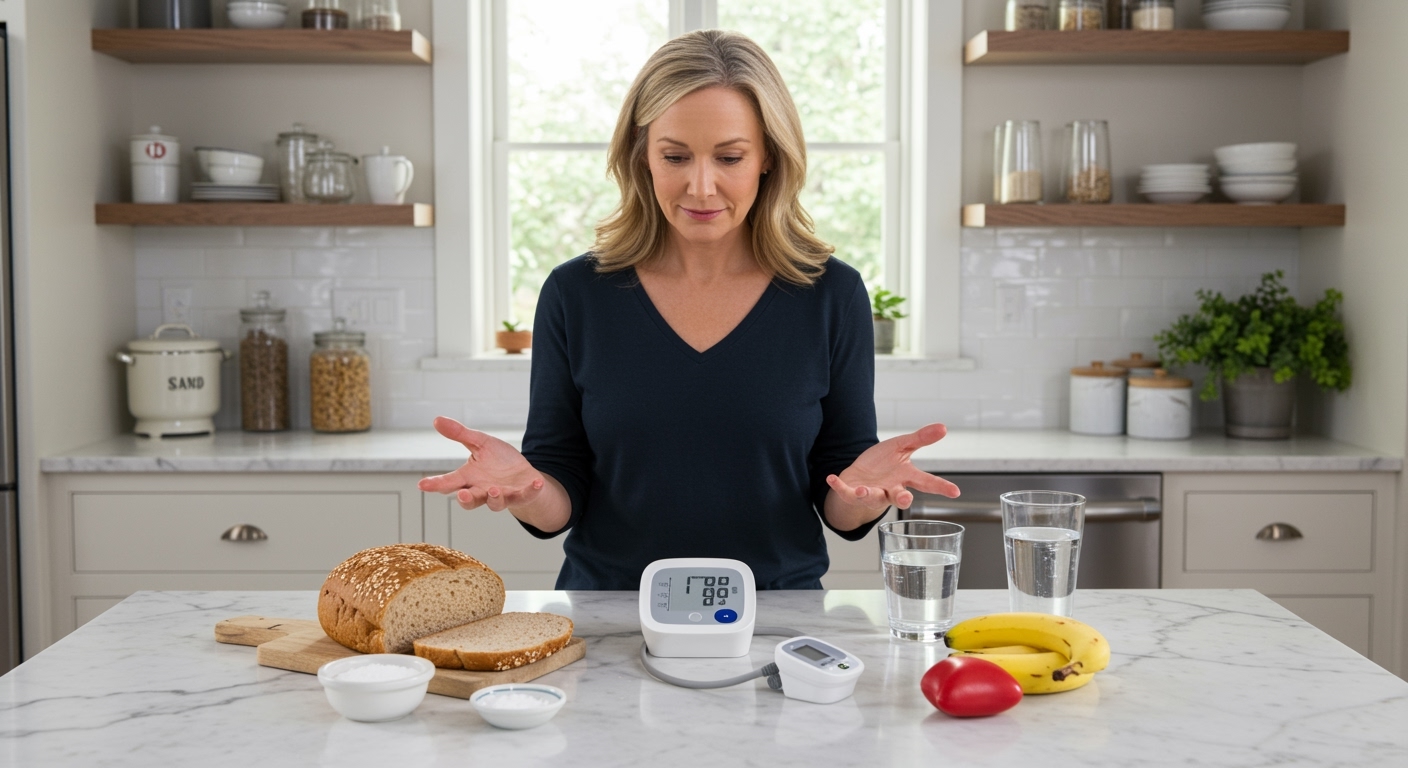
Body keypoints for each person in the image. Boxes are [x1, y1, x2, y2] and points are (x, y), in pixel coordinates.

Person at [420, 29, 959, 590]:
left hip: (773, 616)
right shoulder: (574, 293)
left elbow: (840, 500)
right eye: (675, 156)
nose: (702, 187)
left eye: (730, 157)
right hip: (611, 615)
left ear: (769, 157)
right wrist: (524, 491)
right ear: (642, 156)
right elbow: (561, 494)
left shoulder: (831, 294)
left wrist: (865, 495)